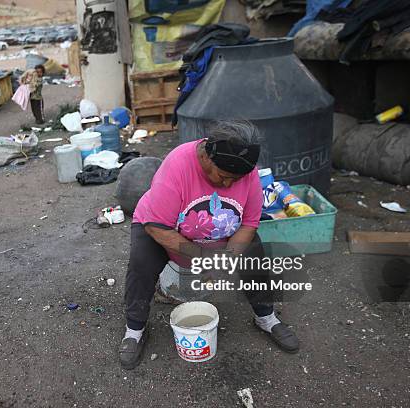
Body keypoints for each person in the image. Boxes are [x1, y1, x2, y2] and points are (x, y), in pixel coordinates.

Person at [120, 120, 300, 370]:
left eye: (235, 180)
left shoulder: (247, 174)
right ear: (206, 155)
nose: (228, 185)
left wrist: (227, 259)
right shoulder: (177, 166)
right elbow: (155, 226)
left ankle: (266, 317)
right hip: (165, 231)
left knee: (254, 255)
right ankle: (134, 330)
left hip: (219, 237)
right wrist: (202, 257)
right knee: (141, 263)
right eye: (223, 176)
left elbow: (248, 223)